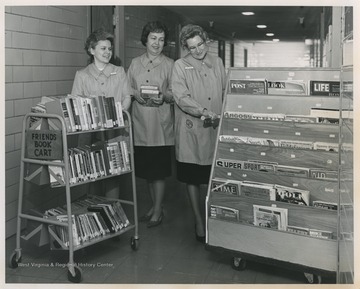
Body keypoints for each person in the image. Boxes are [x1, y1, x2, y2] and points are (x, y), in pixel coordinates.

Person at [171, 24, 226, 242]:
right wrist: (202, 112)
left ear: (206, 41)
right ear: (186, 48)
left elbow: (224, 90)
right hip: (192, 130)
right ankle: (198, 221)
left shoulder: (218, 62)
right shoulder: (180, 65)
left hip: (214, 129)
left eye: (200, 44)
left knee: (214, 177)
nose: (198, 50)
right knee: (192, 178)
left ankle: (215, 219)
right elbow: (181, 97)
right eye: (192, 47)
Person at [71, 28, 132, 198]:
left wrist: (119, 111)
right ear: (91, 50)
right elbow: (75, 102)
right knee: (93, 174)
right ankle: (95, 216)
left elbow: (128, 96)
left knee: (113, 174)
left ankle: (113, 215)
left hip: (115, 132)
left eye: (110, 49)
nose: (107, 52)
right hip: (91, 133)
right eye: (103, 48)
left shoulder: (119, 71)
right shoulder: (82, 75)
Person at [127, 21, 175, 228]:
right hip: (140, 124)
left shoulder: (170, 64)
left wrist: (163, 96)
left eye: (161, 39)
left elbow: (175, 93)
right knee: (147, 171)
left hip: (160, 126)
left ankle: (158, 210)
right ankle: (154, 206)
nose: (157, 43)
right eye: (153, 38)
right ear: (145, 39)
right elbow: (127, 88)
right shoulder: (135, 63)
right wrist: (137, 94)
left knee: (159, 172)